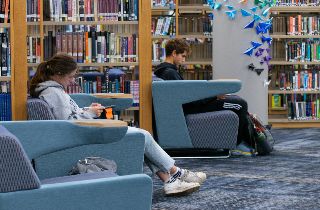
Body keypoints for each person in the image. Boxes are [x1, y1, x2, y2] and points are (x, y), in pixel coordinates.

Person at [29, 53, 206, 196]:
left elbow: (67, 116)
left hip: (81, 135)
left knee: (139, 136)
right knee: (141, 135)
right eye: (71, 77)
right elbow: (67, 125)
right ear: (58, 75)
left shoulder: (51, 89)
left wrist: (86, 110)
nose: (72, 81)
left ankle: (170, 179)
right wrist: (89, 113)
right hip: (80, 139)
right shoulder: (53, 92)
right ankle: (175, 173)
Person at [154, 38, 254, 156]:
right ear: (174, 53)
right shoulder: (169, 73)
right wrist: (213, 96)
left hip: (190, 105)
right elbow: (187, 99)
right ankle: (238, 144)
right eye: (183, 56)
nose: (184, 60)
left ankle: (245, 139)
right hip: (190, 107)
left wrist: (211, 95)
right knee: (240, 104)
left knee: (236, 100)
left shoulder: (166, 71)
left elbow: (184, 94)